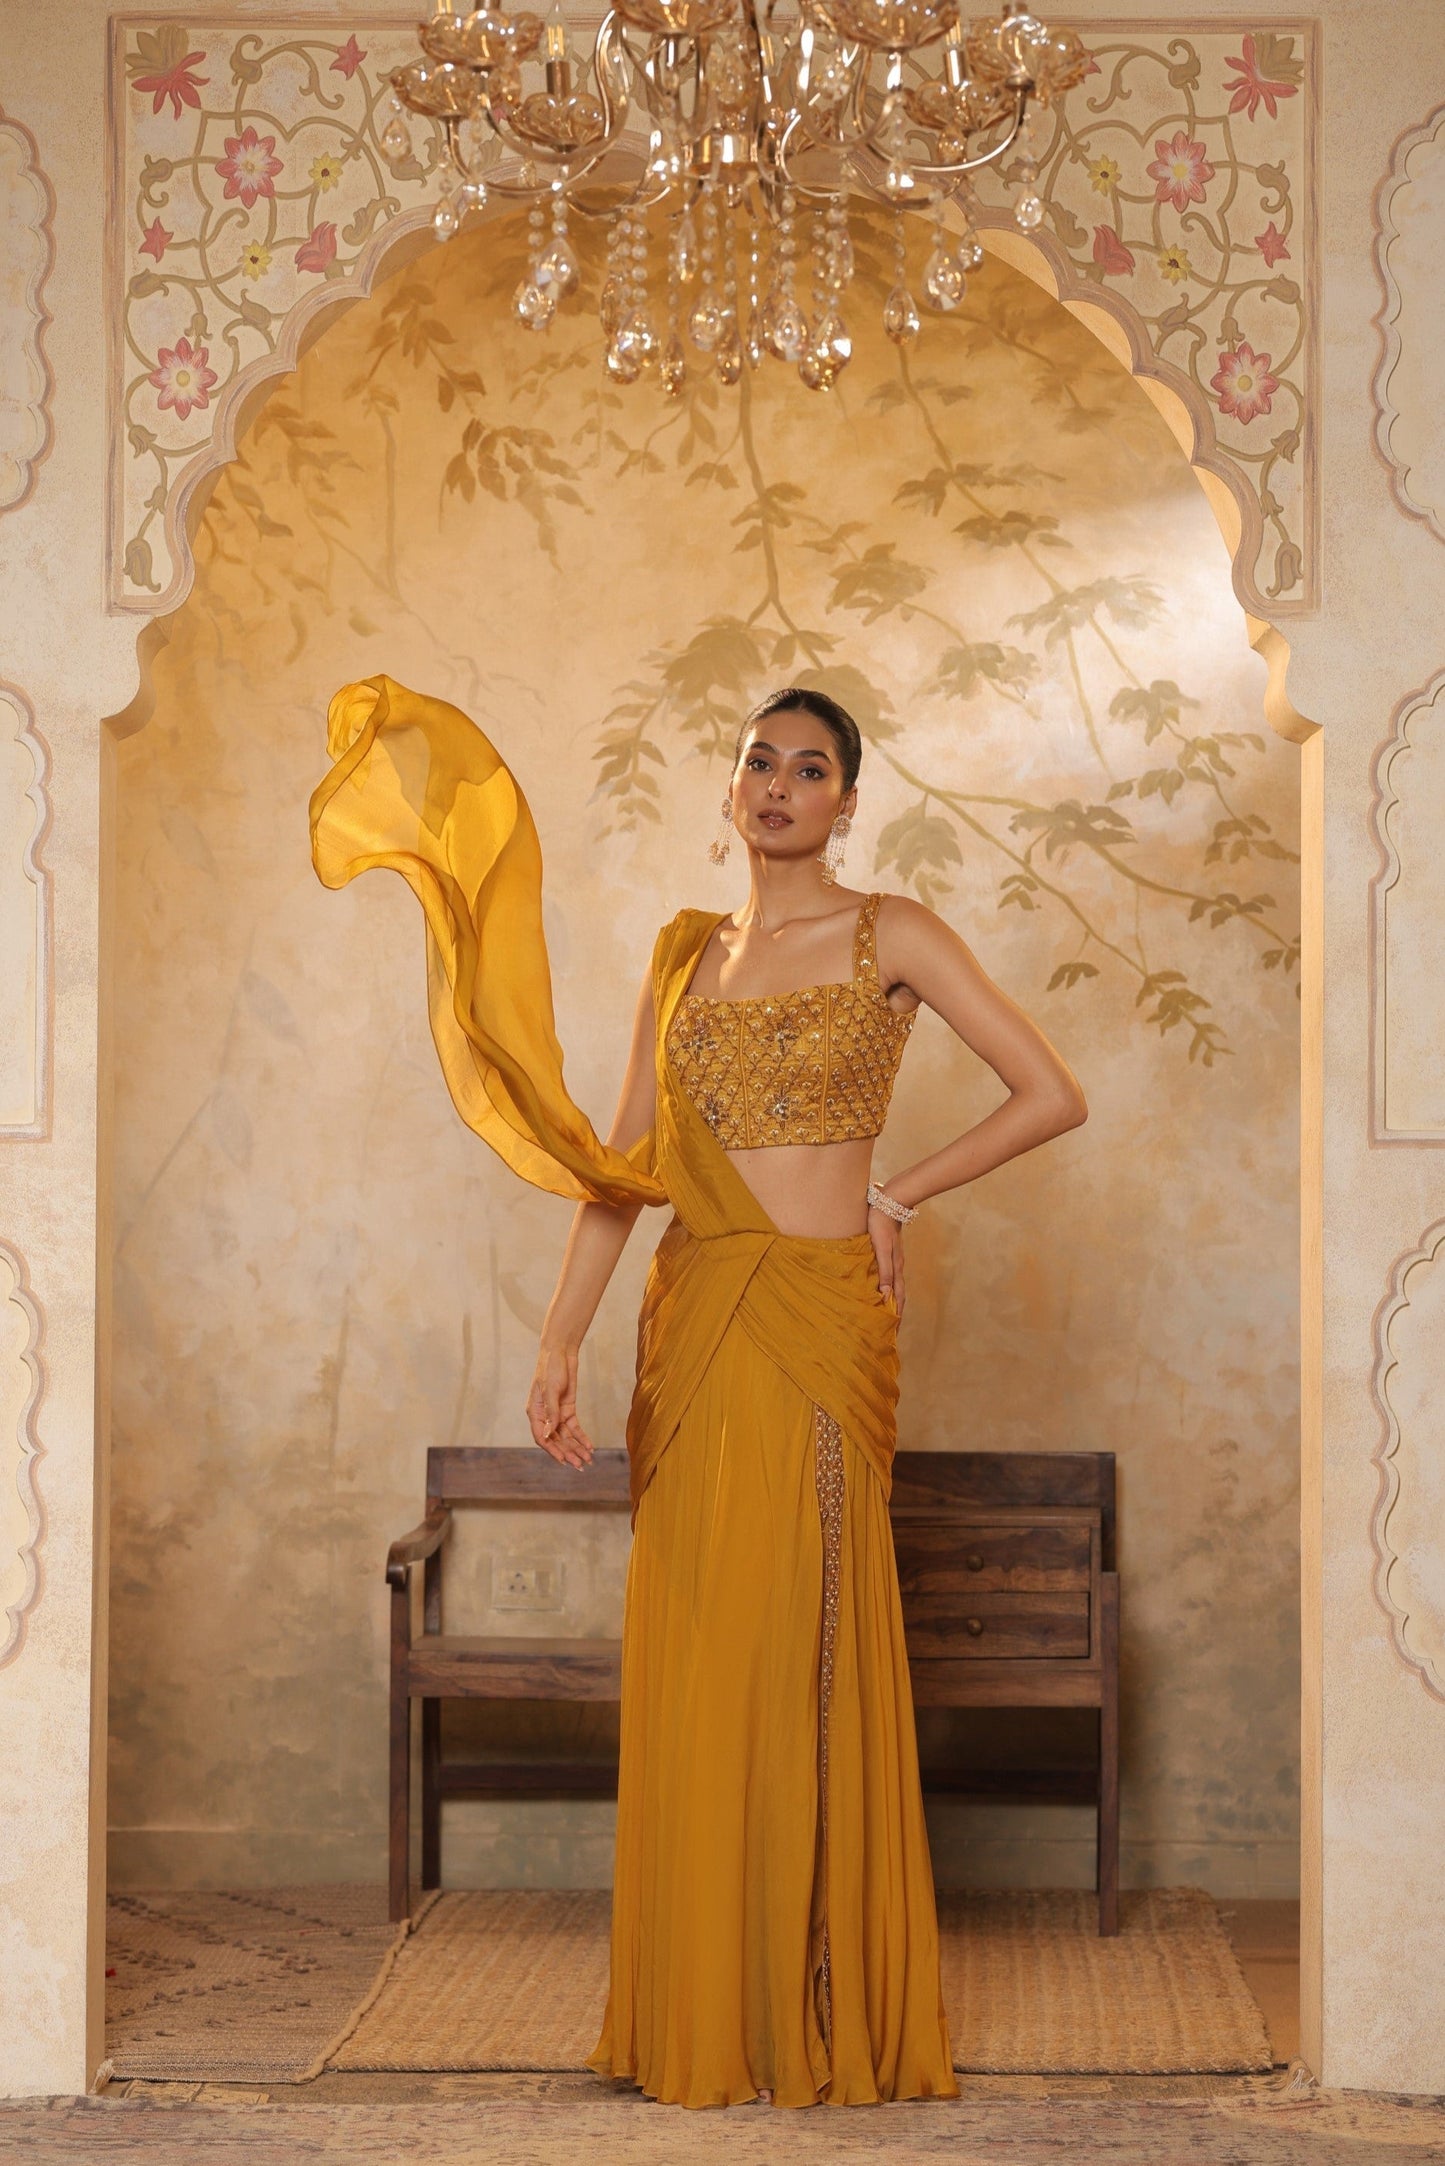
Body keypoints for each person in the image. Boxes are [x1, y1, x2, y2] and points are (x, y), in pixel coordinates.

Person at [310, 674, 1087, 2111]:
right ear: (730, 791)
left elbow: (1050, 1091)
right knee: (704, 1649)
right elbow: (624, 1166)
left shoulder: (894, 933)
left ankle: (812, 2004)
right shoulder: (683, 956)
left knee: (803, 1640)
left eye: (810, 767)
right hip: (693, 1326)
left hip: (815, 1328)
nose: (780, 785)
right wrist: (560, 1342)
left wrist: (897, 1195)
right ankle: (702, 2007)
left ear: (845, 800)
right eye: (759, 761)